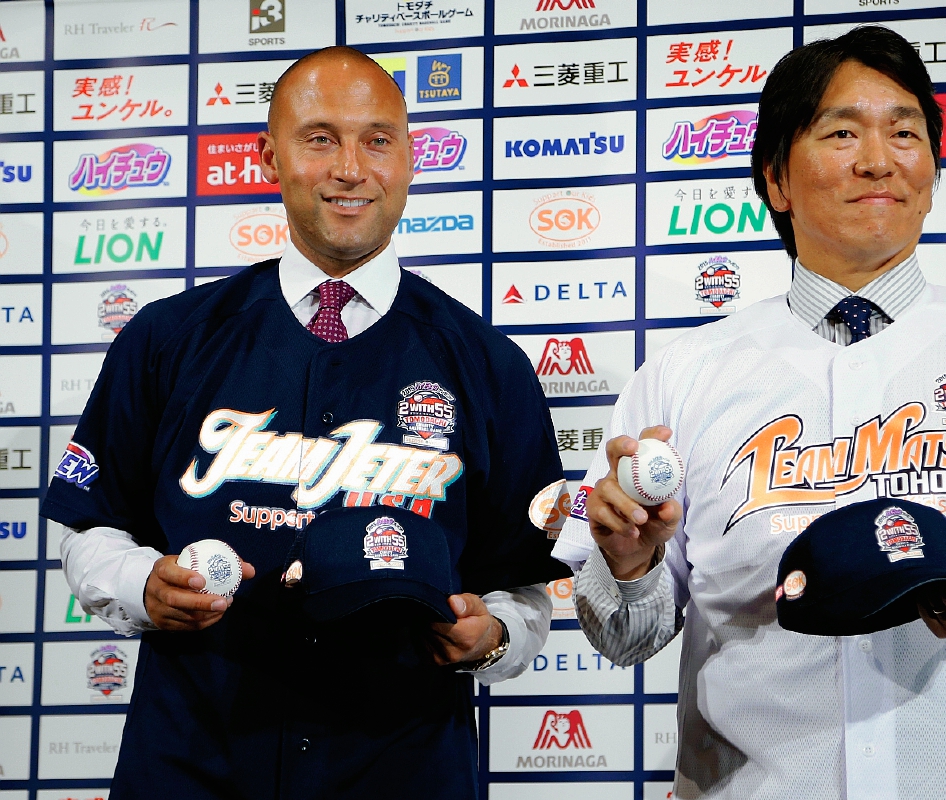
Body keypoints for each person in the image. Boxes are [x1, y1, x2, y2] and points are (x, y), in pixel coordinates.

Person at [552, 26, 946, 800]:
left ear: (933, 170)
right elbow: (624, 635)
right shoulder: (680, 378)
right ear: (777, 178)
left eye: (905, 132)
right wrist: (629, 564)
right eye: (842, 132)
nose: (879, 160)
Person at [43, 46, 569, 799]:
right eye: (320, 137)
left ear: (411, 159)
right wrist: (142, 586)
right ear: (269, 157)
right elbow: (89, 529)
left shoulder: (489, 364)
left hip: (405, 766)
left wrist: (492, 640)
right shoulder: (166, 339)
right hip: (194, 761)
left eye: (377, 140)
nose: (351, 167)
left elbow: (521, 587)